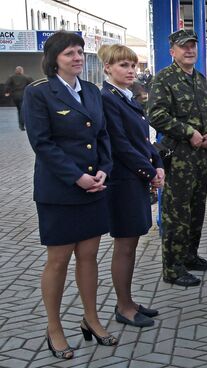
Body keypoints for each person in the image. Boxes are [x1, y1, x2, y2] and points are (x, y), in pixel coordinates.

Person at [22, 31, 117, 360]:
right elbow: (42, 143)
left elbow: (103, 134)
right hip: (60, 191)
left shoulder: (91, 91)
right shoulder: (39, 93)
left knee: (89, 257)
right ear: (54, 59)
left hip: (94, 187)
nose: (77, 57)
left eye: (79, 52)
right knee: (58, 261)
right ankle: (54, 328)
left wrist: (104, 168)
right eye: (68, 54)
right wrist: (77, 177)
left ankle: (91, 319)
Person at [97, 44, 165, 327]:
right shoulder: (108, 98)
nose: (131, 70)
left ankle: (128, 300)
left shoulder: (126, 97)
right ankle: (123, 307)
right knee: (125, 245)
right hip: (123, 183)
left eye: (133, 65)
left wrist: (157, 161)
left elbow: (142, 139)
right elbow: (120, 145)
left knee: (132, 243)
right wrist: (149, 171)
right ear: (107, 69)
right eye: (123, 65)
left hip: (133, 179)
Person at [148, 29, 207, 287]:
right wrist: (188, 132)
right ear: (172, 51)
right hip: (177, 157)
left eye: (192, 46)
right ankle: (172, 268)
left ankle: (190, 256)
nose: (189, 50)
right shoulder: (164, 79)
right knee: (176, 214)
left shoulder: (200, 79)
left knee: (196, 210)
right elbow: (155, 115)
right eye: (183, 47)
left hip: (200, 158)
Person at [4, 66, 33, 130]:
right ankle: (21, 125)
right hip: (23, 95)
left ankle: (21, 124)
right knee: (22, 110)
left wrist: (6, 92)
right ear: (22, 71)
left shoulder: (11, 77)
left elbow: (7, 84)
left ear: (16, 71)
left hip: (15, 96)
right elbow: (32, 85)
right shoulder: (26, 77)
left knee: (19, 110)